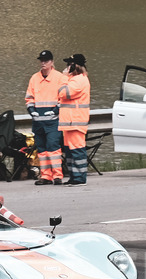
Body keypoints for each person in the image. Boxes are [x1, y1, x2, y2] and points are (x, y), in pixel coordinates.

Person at [25, 50, 66, 184]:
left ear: (52, 62)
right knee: (41, 149)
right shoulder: (34, 78)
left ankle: (57, 176)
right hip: (38, 121)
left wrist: (55, 110)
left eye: (46, 61)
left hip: (53, 121)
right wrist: (31, 110)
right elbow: (29, 97)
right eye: (42, 61)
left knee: (53, 147)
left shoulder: (59, 77)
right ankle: (46, 176)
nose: (43, 63)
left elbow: (64, 98)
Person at [58, 53, 91, 186]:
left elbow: (63, 93)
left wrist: (63, 78)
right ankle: (74, 176)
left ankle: (80, 178)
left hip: (75, 121)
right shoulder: (74, 79)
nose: (66, 67)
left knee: (77, 150)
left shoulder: (78, 80)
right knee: (70, 151)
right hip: (69, 122)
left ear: (74, 66)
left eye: (69, 64)